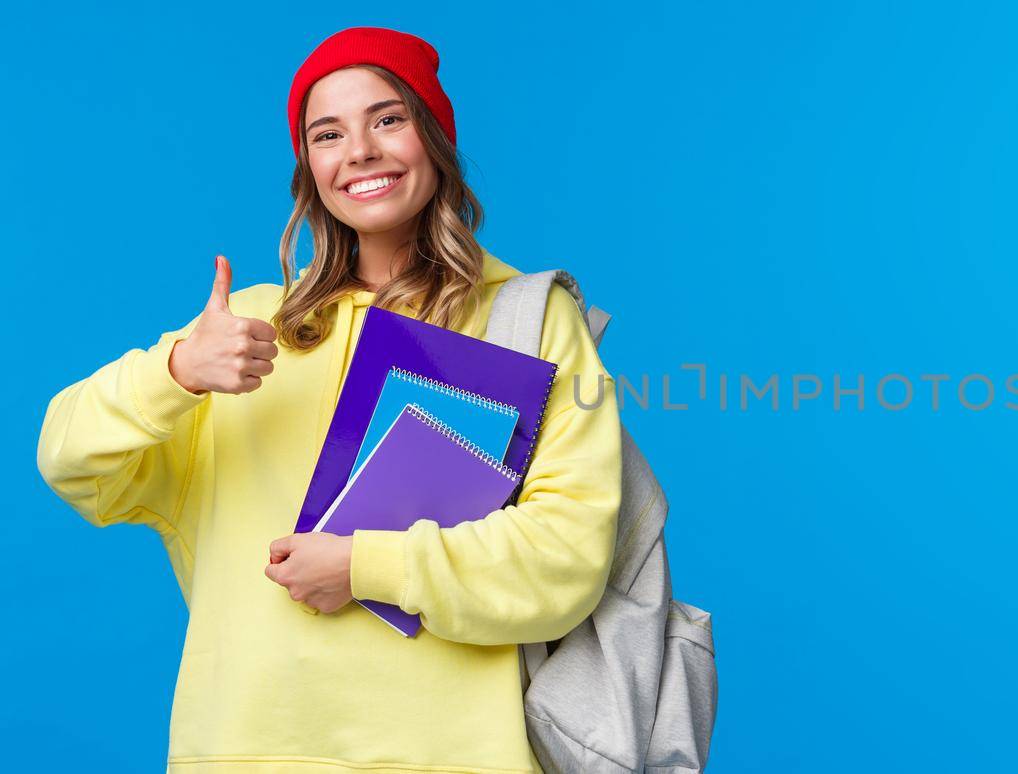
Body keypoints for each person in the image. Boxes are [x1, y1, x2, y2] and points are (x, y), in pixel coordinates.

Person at [35, 27, 621, 774]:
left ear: (434, 139)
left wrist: (366, 567)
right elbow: (69, 461)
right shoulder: (243, 330)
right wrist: (177, 371)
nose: (360, 151)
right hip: (242, 753)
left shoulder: (526, 322)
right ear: (309, 168)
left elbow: (564, 561)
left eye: (388, 118)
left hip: (455, 757)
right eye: (327, 133)